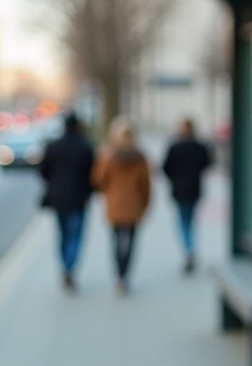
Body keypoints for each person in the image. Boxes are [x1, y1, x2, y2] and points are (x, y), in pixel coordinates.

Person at [91, 117, 151, 296]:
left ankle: (119, 276)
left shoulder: (109, 156)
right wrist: (145, 205)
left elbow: (99, 180)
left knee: (116, 241)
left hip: (115, 205)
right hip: (134, 206)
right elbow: (145, 185)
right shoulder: (140, 157)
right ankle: (125, 276)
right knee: (131, 242)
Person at [38, 112, 94, 291]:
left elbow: (43, 170)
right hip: (79, 198)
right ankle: (70, 267)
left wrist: (54, 183)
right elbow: (94, 175)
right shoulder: (86, 147)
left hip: (59, 198)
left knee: (62, 235)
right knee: (75, 236)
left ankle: (65, 266)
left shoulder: (53, 146)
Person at [162, 117, 213, 273]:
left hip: (179, 189)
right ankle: (190, 248)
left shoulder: (174, 147)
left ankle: (188, 249)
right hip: (194, 189)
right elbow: (207, 163)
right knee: (190, 220)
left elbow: (166, 168)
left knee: (183, 221)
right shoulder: (200, 146)